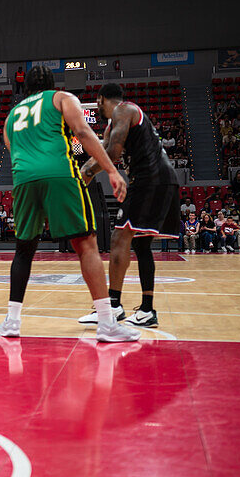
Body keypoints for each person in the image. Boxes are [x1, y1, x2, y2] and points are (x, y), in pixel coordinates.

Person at [0, 66, 138, 342]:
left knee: (24, 249)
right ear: (52, 83)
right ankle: (107, 322)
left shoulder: (11, 116)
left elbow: (13, 150)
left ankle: (12, 321)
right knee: (86, 243)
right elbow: (83, 133)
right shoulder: (61, 98)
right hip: (59, 174)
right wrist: (111, 170)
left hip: (23, 179)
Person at [78, 83, 180, 328]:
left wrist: (87, 172)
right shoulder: (113, 125)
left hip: (150, 179)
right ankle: (147, 310)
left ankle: (113, 306)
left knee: (118, 237)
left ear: (101, 100)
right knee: (140, 244)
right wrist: (84, 169)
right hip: (163, 180)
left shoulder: (124, 110)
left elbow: (112, 153)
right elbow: (101, 151)